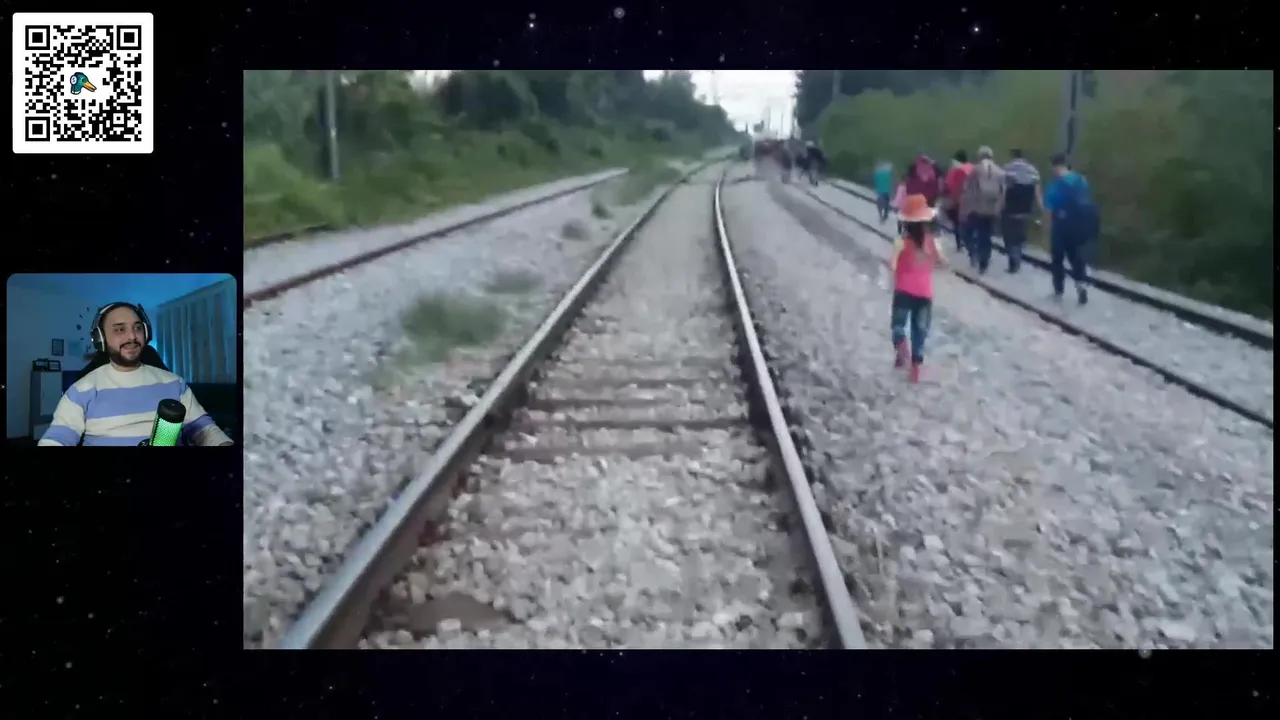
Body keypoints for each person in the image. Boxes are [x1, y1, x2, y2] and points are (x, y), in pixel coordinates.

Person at [38, 302, 234, 447]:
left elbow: (203, 429)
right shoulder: (81, 390)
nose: (132, 336)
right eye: (120, 329)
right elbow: (58, 438)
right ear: (101, 339)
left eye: (137, 328)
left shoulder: (175, 383)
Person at [888, 194, 949, 384]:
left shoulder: (901, 242)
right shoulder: (933, 242)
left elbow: (892, 265)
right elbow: (944, 264)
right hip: (925, 293)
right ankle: (915, 368)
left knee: (898, 325)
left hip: (903, 290)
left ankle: (901, 346)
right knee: (919, 330)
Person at [1043, 152, 1099, 305]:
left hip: (1060, 227)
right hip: (1079, 227)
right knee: (1077, 258)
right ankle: (1081, 286)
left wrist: (1047, 230)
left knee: (1057, 259)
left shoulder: (1054, 186)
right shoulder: (1081, 180)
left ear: (1055, 166)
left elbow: (1048, 211)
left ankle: (1058, 290)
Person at [960, 145, 1006, 274]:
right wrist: (999, 208)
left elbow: (968, 190)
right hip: (992, 209)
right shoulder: (1000, 171)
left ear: (980, 156)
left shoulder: (975, 170)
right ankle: (984, 261)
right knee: (986, 235)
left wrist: (965, 209)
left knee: (968, 232)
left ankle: (975, 255)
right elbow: (1003, 192)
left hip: (976, 208)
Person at [1001, 149, 1044, 274]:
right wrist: (1041, 209)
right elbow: (1037, 193)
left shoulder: (1007, 169)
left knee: (1009, 236)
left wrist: (1000, 206)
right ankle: (1017, 256)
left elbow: (1003, 190)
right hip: (1025, 209)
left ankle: (1013, 259)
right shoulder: (1033, 171)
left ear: (1012, 156)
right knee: (1019, 235)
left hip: (1010, 208)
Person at [943, 150, 974, 253]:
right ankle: (969, 241)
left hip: (958, 200)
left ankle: (960, 243)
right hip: (972, 200)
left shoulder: (955, 169)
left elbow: (949, 184)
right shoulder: (972, 168)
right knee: (969, 222)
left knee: (957, 222)